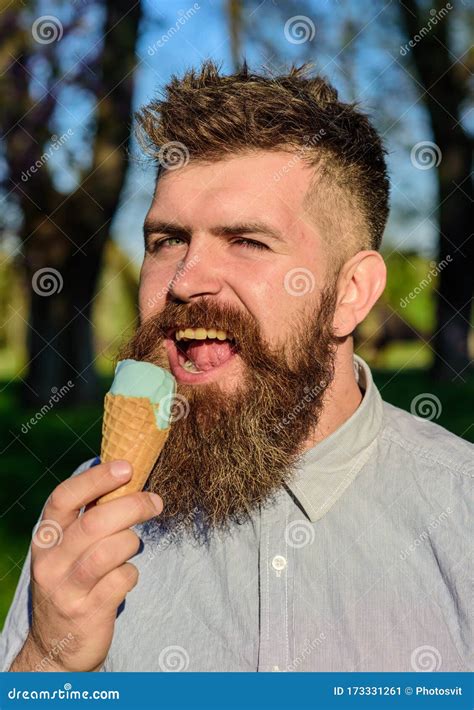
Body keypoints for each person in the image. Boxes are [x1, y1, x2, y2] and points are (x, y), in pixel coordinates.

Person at [2, 61, 472, 673]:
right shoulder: (88, 523)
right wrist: (48, 659)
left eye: (247, 241)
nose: (185, 280)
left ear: (352, 292)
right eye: (166, 240)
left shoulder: (459, 512)